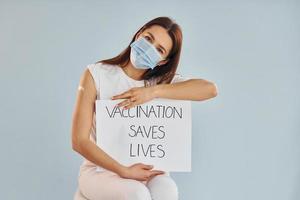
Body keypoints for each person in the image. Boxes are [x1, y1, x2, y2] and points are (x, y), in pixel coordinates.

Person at [72, 16, 218, 200]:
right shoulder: (97, 73)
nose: (150, 48)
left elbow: (210, 89)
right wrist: (123, 171)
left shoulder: (161, 83)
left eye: (159, 49)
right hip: (100, 171)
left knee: (167, 190)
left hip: (148, 171)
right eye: (148, 39)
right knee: (136, 194)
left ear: (162, 61)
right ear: (138, 34)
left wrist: (152, 92)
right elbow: (79, 140)